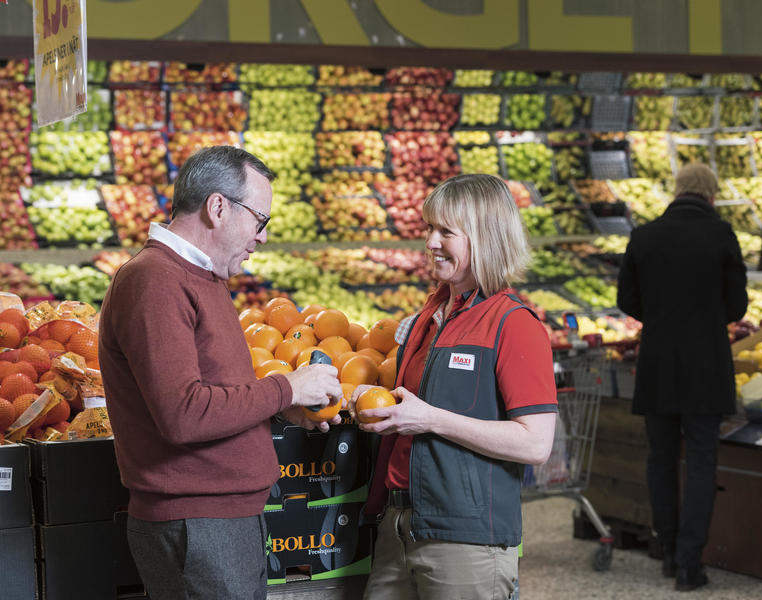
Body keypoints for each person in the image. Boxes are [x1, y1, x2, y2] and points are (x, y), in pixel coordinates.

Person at [98, 146, 342, 600]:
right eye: (259, 220)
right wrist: (285, 386)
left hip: (219, 520)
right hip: (197, 525)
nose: (261, 237)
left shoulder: (201, 278)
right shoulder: (156, 280)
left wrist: (283, 408)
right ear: (217, 207)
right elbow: (182, 413)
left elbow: (213, 394)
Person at [350, 173, 558, 600]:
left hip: (465, 539)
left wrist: (430, 419)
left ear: (484, 237)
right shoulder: (430, 317)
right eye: (429, 229)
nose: (430, 242)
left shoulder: (514, 324)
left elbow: (535, 444)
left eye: (446, 231)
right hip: (399, 525)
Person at [617, 163, 748, 592]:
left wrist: (661, 318)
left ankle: (668, 552)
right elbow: (737, 307)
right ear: (710, 195)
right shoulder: (721, 235)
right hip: (707, 366)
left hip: (657, 365)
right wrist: (706, 320)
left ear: (677, 191)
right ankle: (691, 562)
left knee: (660, 460)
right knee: (702, 463)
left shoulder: (644, 236)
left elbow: (627, 300)